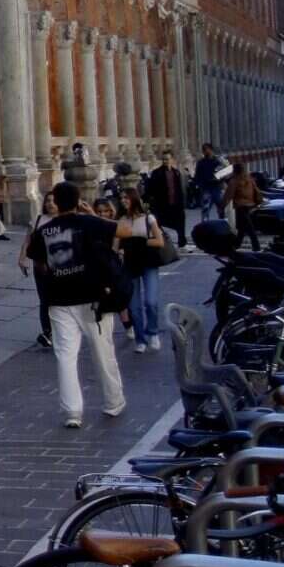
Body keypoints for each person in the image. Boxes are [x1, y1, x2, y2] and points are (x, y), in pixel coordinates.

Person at [27, 181, 127, 427]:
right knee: (103, 351)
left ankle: (73, 411)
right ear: (79, 200)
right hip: (93, 298)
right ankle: (113, 402)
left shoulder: (45, 230)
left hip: (59, 298)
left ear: (56, 203)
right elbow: (123, 231)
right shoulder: (89, 223)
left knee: (65, 356)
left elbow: (39, 262)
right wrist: (92, 214)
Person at [114, 190, 169, 352]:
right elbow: (116, 246)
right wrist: (119, 251)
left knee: (151, 302)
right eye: (121, 198)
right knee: (134, 305)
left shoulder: (148, 219)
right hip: (130, 264)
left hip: (148, 262)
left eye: (126, 198)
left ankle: (153, 332)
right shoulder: (121, 220)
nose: (123, 201)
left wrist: (139, 242)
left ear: (134, 199)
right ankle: (140, 339)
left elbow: (159, 242)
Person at [20, 188, 59, 350]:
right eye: (48, 201)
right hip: (41, 266)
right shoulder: (38, 220)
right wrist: (22, 258)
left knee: (57, 300)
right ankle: (48, 332)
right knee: (45, 301)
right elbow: (27, 241)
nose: (50, 204)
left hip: (59, 267)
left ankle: (57, 331)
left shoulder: (65, 220)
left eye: (54, 201)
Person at [145, 156, 188, 249]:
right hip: (162, 205)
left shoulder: (176, 172)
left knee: (180, 222)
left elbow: (180, 189)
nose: (165, 161)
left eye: (167, 159)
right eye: (163, 159)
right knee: (159, 222)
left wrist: (182, 203)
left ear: (172, 160)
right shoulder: (157, 173)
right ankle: (161, 242)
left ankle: (182, 242)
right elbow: (150, 188)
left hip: (176, 204)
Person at [227, 165, 262, 249]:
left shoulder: (235, 181)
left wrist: (221, 206)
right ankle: (236, 245)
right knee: (242, 227)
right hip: (249, 205)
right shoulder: (250, 179)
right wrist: (258, 202)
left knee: (249, 228)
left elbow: (228, 196)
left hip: (240, 206)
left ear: (235, 171)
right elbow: (257, 191)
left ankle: (256, 246)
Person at [192, 143, 225, 220]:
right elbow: (197, 175)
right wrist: (197, 185)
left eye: (205, 149)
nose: (204, 151)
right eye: (203, 150)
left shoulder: (218, 161)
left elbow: (224, 173)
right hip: (206, 189)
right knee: (205, 210)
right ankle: (205, 227)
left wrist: (220, 180)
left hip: (217, 188)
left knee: (221, 209)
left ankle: (222, 224)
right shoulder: (201, 162)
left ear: (211, 149)